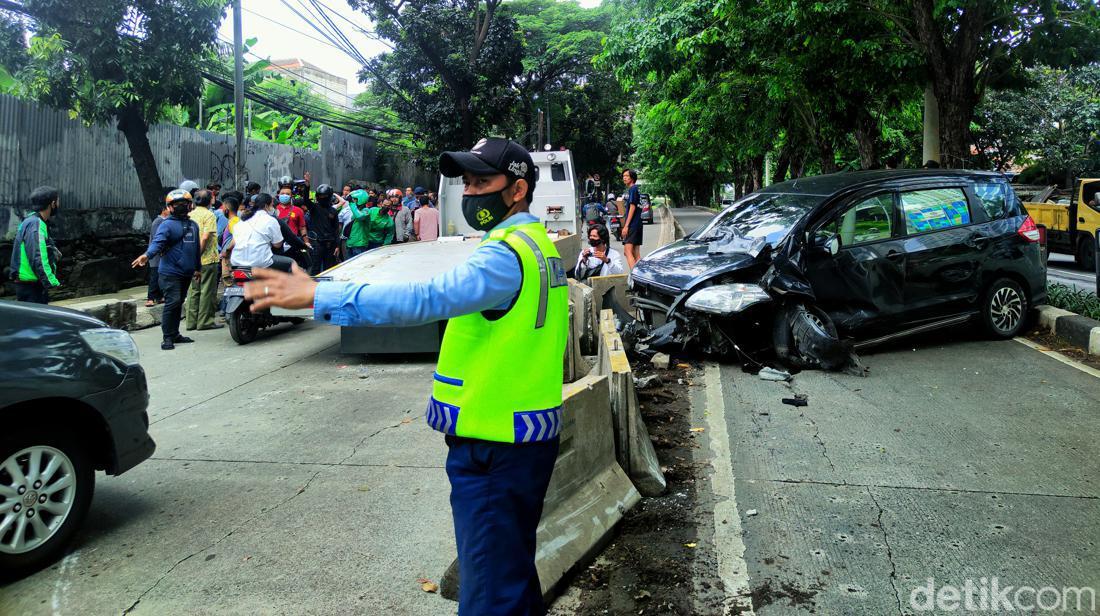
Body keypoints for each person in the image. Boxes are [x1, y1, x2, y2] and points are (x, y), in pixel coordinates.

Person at [241, 138, 566, 616]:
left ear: (517, 189)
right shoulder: (532, 243)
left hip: (496, 446)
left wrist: (320, 295)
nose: (470, 193)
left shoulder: (505, 256)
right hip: (516, 436)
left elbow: (424, 298)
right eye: (467, 183)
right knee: (508, 576)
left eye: (483, 183)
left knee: (490, 595)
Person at [131, 189, 201, 350]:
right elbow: (158, 242)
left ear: (190, 205)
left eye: (184, 204)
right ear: (169, 207)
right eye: (177, 204)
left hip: (187, 272)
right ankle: (167, 337)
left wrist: (197, 268)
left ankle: (175, 333)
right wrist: (146, 256)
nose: (181, 207)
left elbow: (196, 248)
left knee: (179, 302)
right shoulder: (166, 225)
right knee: (173, 302)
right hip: (170, 272)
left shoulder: (193, 225)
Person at [9, 185, 61, 304]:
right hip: (31, 288)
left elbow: (40, 247)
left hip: (31, 285)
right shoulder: (36, 224)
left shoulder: (33, 221)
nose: (58, 205)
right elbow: (38, 256)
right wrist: (51, 281)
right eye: (58, 201)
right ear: (52, 204)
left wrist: (53, 251)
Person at [225, 193, 293, 271]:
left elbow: (231, 245)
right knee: (292, 263)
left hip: (236, 263)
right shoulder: (270, 220)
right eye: (272, 205)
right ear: (266, 206)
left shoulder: (242, 221)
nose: (273, 208)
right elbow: (277, 245)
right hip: (260, 262)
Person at [185, 189, 222, 331]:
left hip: (189, 259)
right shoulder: (209, 215)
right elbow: (205, 237)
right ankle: (205, 321)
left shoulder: (189, 215)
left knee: (193, 291)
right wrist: (197, 255)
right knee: (207, 290)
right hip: (207, 259)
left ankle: (191, 322)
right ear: (209, 200)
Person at [308, 184, 343, 273]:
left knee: (329, 269)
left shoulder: (333, 211)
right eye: (321, 196)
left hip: (330, 245)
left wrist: (337, 246)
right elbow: (306, 200)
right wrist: (307, 186)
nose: (323, 198)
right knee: (315, 268)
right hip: (317, 244)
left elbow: (336, 230)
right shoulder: (314, 208)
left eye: (325, 196)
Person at [146, 201, 170, 307]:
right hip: (156, 254)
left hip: (160, 254)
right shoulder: (158, 221)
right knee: (154, 275)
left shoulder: (163, 221)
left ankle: (159, 297)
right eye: (168, 208)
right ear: (164, 210)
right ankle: (150, 298)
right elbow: (157, 238)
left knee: (160, 275)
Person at [621, 169, 643, 268]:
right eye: (623, 176)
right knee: (636, 254)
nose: (624, 178)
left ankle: (634, 278)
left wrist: (626, 226)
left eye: (626, 176)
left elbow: (633, 207)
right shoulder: (635, 189)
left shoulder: (633, 189)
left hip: (633, 225)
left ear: (632, 178)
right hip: (638, 224)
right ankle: (640, 277)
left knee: (627, 251)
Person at [344, 189, 374, 257]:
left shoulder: (366, 211)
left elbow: (359, 216)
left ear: (361, 199)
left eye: (355, 199)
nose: (353, 201)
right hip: (350, 243)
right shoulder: (356, 210)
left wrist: (351, 203)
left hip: (359, 245)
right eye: (353, 199)